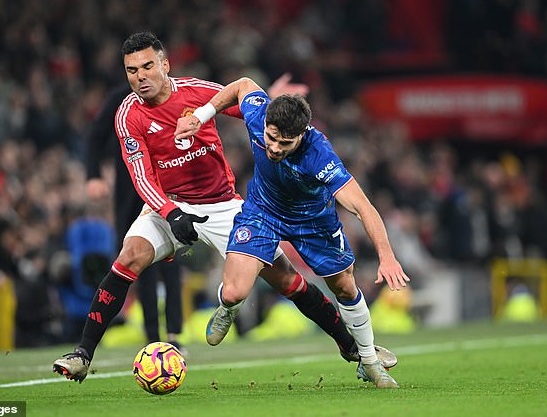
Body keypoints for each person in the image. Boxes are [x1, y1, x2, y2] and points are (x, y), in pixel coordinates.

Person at [53, 31, 396, 383]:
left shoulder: (198, 92)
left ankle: (352, 347)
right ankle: (82, 354)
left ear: (165, 65)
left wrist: (274, 101)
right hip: (168, 206)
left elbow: (251, 109)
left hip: (223, 205)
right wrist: (170, 212)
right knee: (129, 256)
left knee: (288, 280)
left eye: (147, 66)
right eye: (131, 70)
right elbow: (140, 176)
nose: (140, 77)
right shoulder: (128, 114)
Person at [175, 77, 411, 388]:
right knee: (234, 292)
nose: (273, 148)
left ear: (301, 135)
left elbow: (363, 207)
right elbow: (243, 85)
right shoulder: (259, 114)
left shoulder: (319, 155)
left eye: (284, 143)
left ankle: (368, 361)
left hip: (313, 222)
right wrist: (202, 115)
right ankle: (227, 307)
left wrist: (387, 256)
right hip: (263, 212)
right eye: (270, 138)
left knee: (344, 288)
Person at [85, 82, 185, 353]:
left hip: (167, 186)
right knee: (138, 263)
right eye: (135, 68)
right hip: (130, 191)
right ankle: (153, 335)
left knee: (172, 259)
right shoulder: (121, 99)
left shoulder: (175, 96)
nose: (142, 75)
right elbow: (95, 136)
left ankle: (174, 334)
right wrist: (93, 175)